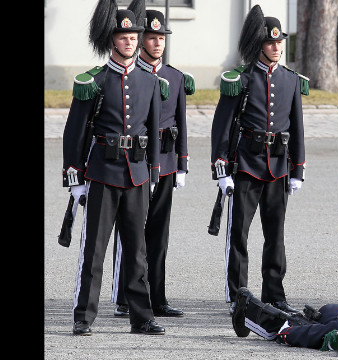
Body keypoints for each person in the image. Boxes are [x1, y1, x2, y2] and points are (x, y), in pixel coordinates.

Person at [62, 0, 164, 335]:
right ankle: (84, 315)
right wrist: (74, 177)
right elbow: (74, 132)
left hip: (135, 175)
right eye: (123, 36)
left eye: (134, 36)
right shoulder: (95, 81)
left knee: (137, 251)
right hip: (102, 174)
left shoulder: (151, 83)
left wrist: (152, 172)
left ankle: (141, 316)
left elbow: (152, 131)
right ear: (112, 41)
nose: (131, 41)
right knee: (94, 249)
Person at [210, 5, 307, 316]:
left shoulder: (291, 80)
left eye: (280, 42)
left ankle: (275, 294)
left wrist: (298, 169)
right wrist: (221, 168)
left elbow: (297, 125)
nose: (276, 47)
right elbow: (222, 126)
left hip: (279, 165)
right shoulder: (241, 78)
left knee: (275, 235)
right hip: (246, 165)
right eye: (270, 43)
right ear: (259, 45)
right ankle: (238, 294)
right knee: (239, 233)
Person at [111, 3, 195, 319]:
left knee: (159, 233)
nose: (158, 42)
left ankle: (156, 297)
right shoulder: (132, 75)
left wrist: (183, 163)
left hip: (168, 162)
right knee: (132, 231)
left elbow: (182, 123)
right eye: (151, 36)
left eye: (161, 37)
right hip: (137, 161)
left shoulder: (175, 77)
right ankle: (123, 297)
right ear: (141, 39)